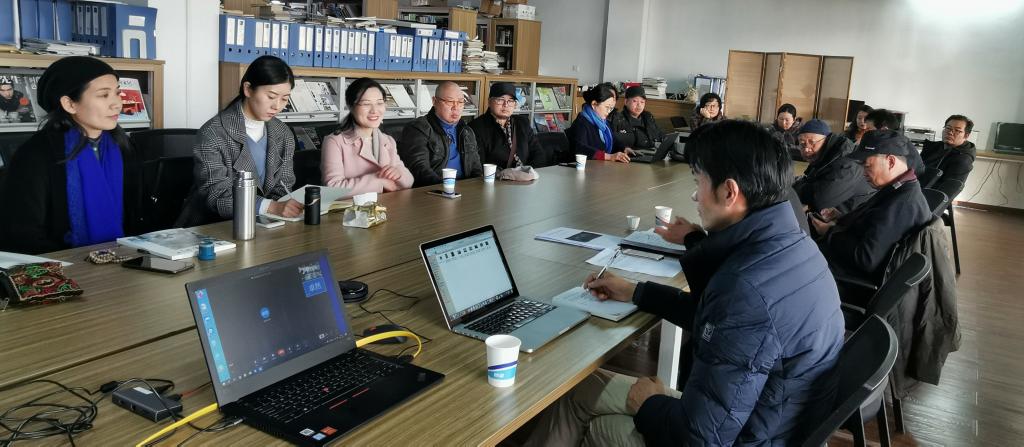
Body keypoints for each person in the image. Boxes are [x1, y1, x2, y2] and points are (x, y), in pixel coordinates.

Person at [524, 120, 845, 446]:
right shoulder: (794, 245)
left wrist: (649, 403)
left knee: (595, 422)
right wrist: (636, 292)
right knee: (583, 392)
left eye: (698, 182)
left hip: (739, 436)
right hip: (766, 419)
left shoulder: (746, 289)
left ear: (729, 191)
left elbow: (699, 439)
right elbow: (723, 326)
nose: (694, 196)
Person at [0, 56, 137, 254]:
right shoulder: (35, 155)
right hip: (62, 265)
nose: (117, 104)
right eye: (103, 95)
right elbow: (22, 235)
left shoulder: (122, 146)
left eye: (117, 93)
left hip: (122, 260)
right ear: (69, 104)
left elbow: (137, 217)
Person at [177, 56, 302, 226]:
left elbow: (284, 186)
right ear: (248, 89)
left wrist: (281, 209)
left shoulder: (283, 133)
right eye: (271, 96)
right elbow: (217, 197)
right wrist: (271, 207)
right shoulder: (213, 133)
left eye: (285, 99)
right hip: (211, 227)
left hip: (264, 225)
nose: (277, 106)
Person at [813, 130, 932, 285]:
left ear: (891, 162)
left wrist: (829, 232)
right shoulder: (899, 188)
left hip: (848, 280)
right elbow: (874, 224)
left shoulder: (903, 204)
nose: (863, 173)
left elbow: (867, 259)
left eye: (867, 166)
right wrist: (841, 218)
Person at [321, 77, 413, 196]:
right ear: (350, 106)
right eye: (366, 104)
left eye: (379, 103)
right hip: (352, 207)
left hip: (386, 205)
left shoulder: (388, 140)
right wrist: (379, 181)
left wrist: (398, 174)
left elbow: (409, 180)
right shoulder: (334, 141)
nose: (374, 110)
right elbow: (333, 189)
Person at [397, 81, 482, 186]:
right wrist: (446, 188)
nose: (456, 107)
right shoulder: (418, 128)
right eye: (450, 102)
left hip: (466, 189)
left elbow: (476, 168)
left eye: (460, 102)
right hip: (434, 189)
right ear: (434, 101)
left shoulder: (466, 131)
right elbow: (419, 169)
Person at [792, 119, 874, 214]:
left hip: (853, 219)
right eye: (802, 144)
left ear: (826, 139)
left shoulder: (847, 162)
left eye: (812, 142)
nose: (806, 149)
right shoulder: (825, 156)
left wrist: (794, 186)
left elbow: (819, 200)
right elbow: (809, 179)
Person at [468, 82, 545, 169]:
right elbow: (478, 165)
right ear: (489, 102)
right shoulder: (476, 127)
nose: (506, 105)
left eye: (510, 101)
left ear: (515, 104)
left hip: (527, 174)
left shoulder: (522, 123)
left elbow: (538, 153)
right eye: (500, 100)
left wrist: (529, 171)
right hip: (498, 176)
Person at [567, 82, 630, 162]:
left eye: (611, 108)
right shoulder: (582, 122)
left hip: (599, 166)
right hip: (583, 166)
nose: (609, 111)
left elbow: (613, 140)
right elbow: (580, 149)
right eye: (607, 107)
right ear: (594, 104)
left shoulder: (603, 122)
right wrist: (609, 157)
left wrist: (624, 148)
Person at [920, 114, 976, 201]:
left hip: (927, 198)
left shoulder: (963, 160)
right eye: (948, 128)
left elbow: (945, 192)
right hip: (915, 187)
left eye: (957, 130)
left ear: (966, 136)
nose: (950, 132)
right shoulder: (935, 146)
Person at [864, 108, 926, 175]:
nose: (865, 132)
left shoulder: (896, 145)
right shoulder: (891, 139)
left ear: (884, 129)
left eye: (868, 129)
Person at [608, 85, 664, 152]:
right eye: (635, 101)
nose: (639, 105)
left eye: (642, 102)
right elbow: (612, 142)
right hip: (629, 155)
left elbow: (659, 135)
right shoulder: (617, 119)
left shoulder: (648, 117)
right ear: (626, 102)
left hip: (650, 153)